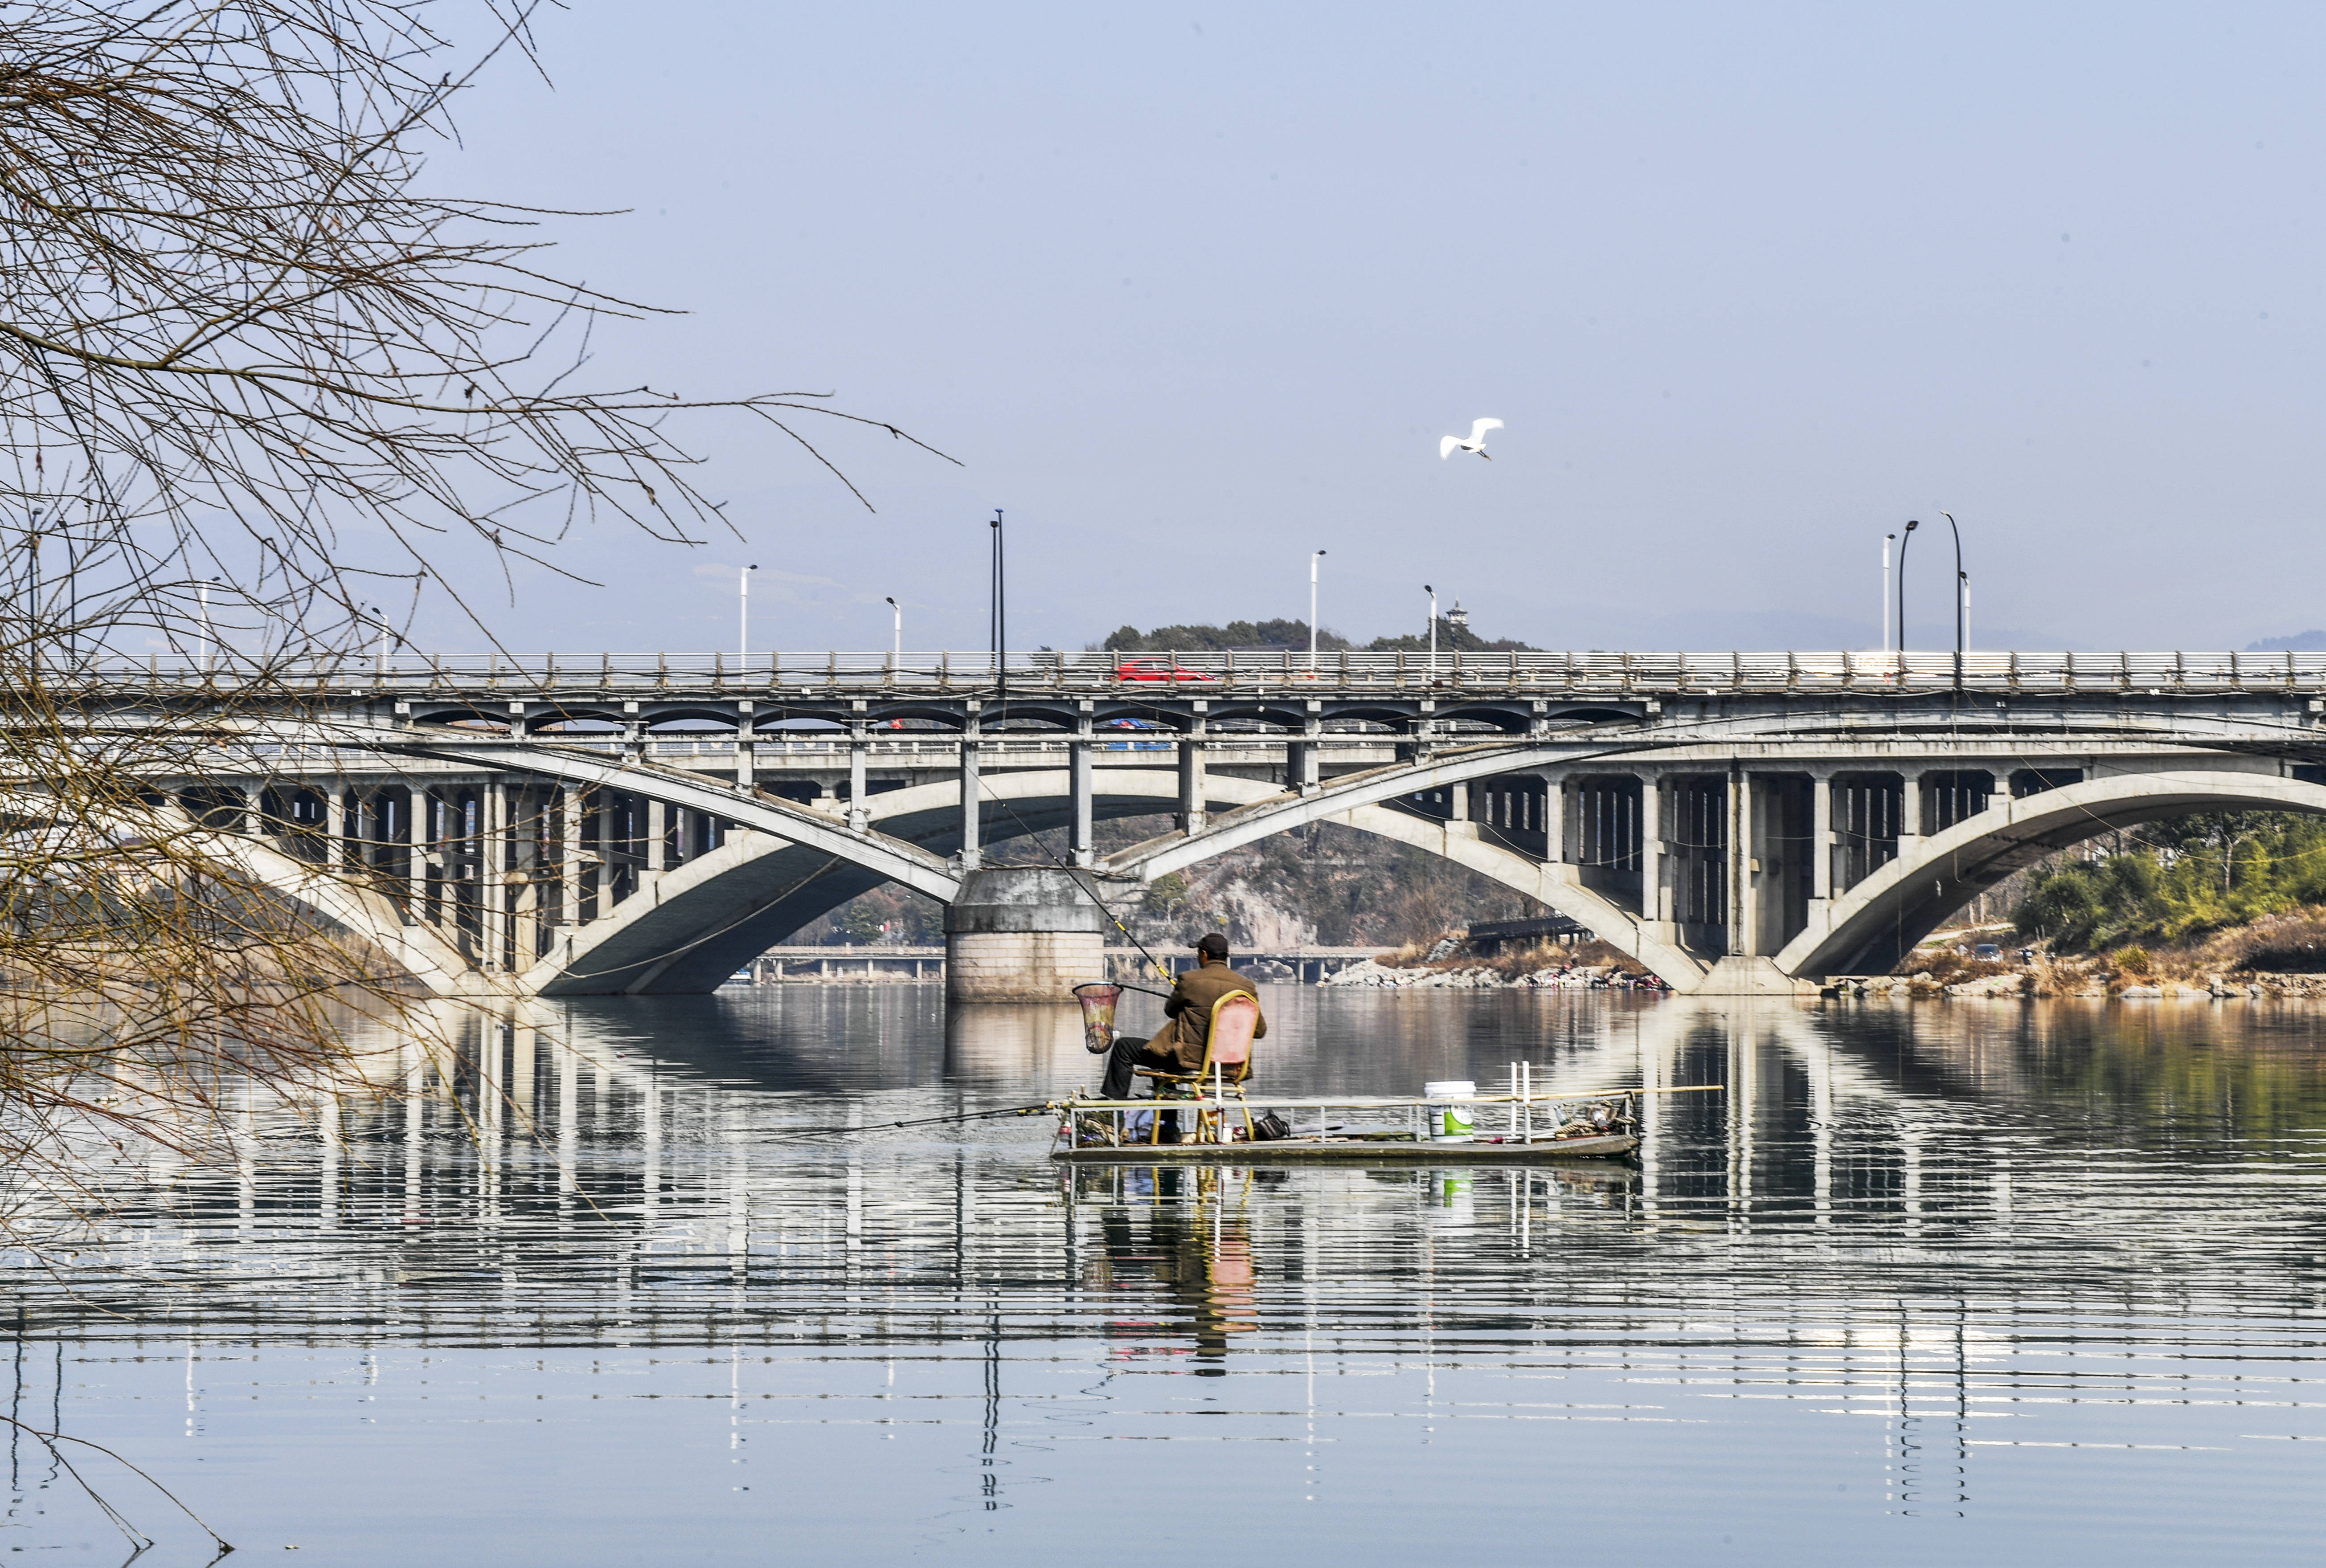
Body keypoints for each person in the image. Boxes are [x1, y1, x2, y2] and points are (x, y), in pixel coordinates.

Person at [1094, 935, 1269, 1133]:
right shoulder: (1247, 988)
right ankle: (1168, 1128)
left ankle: (1112, 1120)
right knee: (1163, 1055)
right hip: (1232, 1068)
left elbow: (1170, 1011)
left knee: (1125, 1048)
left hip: (1190, 1062)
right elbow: (1260, 1031)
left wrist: (1182, 993)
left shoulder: (1190, 980)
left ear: (1204, 955)